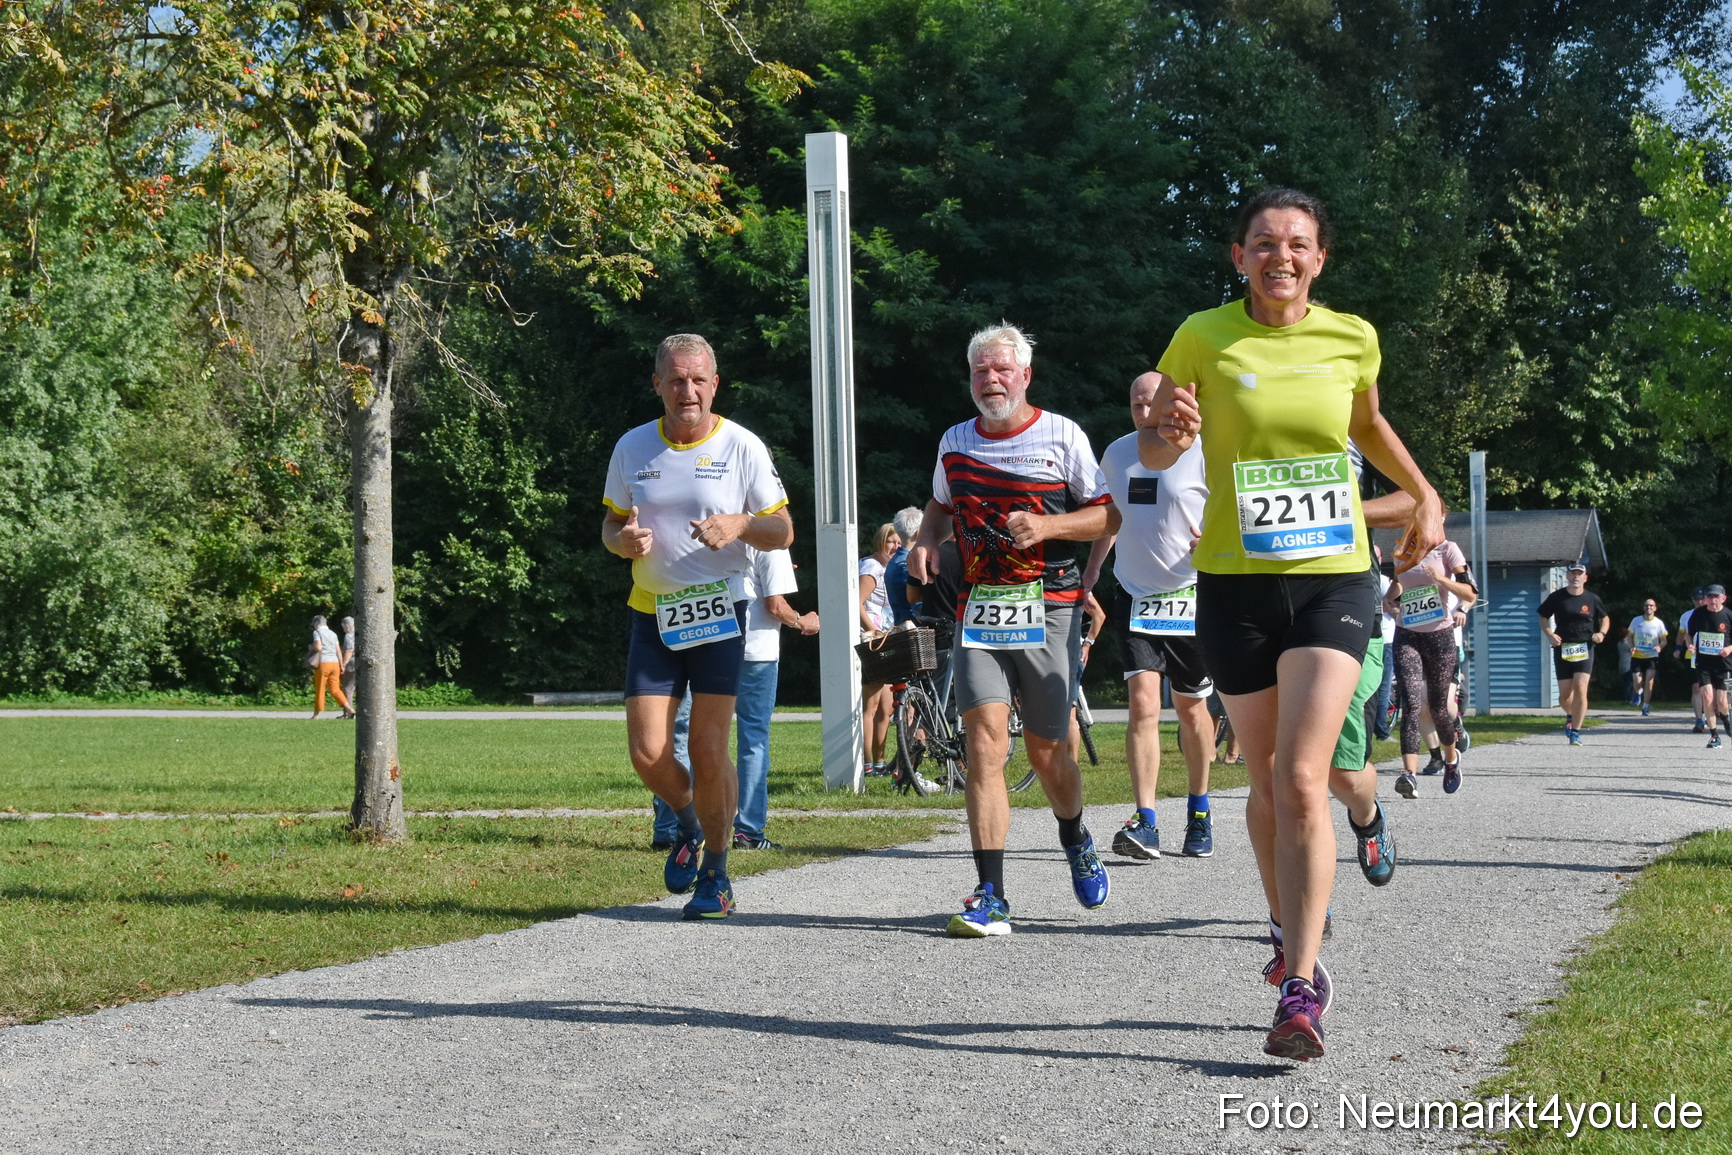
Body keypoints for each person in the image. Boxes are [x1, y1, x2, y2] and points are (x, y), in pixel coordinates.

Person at [1145, 187, 1443, 1061]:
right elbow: (1161, 448)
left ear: (1321, 259)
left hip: (1333, 577)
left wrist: (1422, 489)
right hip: (1234, 583)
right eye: (1265, 243)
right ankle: (1285, 925)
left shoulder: (1352, 336)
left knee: (1306, 775)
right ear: (1238, 256)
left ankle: (1303, 987)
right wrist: (1169, 426)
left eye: (1299, 244)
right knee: (1269, 780)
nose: (1282, 256)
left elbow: (1367, 423)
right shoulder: (1201, 334)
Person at [909, 322, 1115, 938]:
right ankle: (990, 892)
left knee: (1049, 753)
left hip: (1048, 606)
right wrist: (925, 540)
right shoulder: (954, 440)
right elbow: (942, 506)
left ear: (1026, 376)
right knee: (984, 742)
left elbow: (1108, 514)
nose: (991, 380)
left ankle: (1075, 833)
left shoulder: (1062, 434)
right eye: (981, 370)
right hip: (981, 606)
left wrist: (1049, 529)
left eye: (1003, 370)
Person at [601, 332, 793, 920]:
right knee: (647, 752)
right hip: (652, 612)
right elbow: (610, 528)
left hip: (718, 612)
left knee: (710, 749)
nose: (688, 390)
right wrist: (623, 541)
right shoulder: (633, 448)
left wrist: (740, 524)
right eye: (676, 380)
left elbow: (782, 530)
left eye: (698, 379)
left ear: (715, 383)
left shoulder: (742, 447)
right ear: (657, 384)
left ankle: (716, 870)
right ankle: (687, 825)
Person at [1095, 376, 1217, 861]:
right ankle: (1145, 820)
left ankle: (1200, 810)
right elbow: (1109, 516)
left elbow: (1230, 508)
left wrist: (1214, 540)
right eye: (1136, 404)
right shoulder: (1118, 453)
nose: (1144, 412)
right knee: (1143, 705)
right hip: (1135, 595)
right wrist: (1091, 573)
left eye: (1153, 402)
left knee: (1191, 709)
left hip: (1190, 594)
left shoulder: (1201, 447)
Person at [648, 548, 818, 851]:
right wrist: (803, 621)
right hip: (756, 652)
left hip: (700, 643)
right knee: (753, 739)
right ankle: (749, 832)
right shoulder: (771, 539)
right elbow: (776, 606)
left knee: (682, 734)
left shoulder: (704, 532)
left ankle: (669, 828)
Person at [1389, 539, 1476, 797]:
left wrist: (1440, 578)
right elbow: (1398, 586)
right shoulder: (1401, 550)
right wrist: (1390, 601)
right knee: (1413, 705)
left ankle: (1451, 760)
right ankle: (1409, 775)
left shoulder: (1448, 549)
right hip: (1407, 635)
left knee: (1439, 708)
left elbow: (1470, 593)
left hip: (1440, 636)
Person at [1537, 563, 1609, 747]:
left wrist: (1601, 634)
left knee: (1581, 688)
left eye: (1579, 574)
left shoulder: (1592, 599)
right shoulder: (1557, 597)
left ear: (1585, 577)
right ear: (1567, 576)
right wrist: (1550, 634)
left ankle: (1575, 731)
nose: (1576, 577)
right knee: (1564, 696)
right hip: (1564, 648)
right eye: (1573, 573)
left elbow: (1605, 618)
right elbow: (1543, 616)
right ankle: (1571, 714)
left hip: (1585, 647)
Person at [858, 522, 902, 775]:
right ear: (880, 541)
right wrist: (871, 629)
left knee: (887, 708)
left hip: (887, 638)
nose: (895, 546)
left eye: (898, 542)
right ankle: (866, 764)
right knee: (871, 706)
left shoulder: (890, 567)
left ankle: (879, 763)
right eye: (890, 541)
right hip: (873, 641)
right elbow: (856, 602)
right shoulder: (872, 567)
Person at [1685, 584, 1732, 748]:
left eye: (1715, 597)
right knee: (1707, 698)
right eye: (1709, 597)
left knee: (1722, 702)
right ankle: (1714, 736)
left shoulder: (1728, 616)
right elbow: (1688, 635)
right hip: (1703, 663)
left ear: (1723, 598)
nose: (1712, 600)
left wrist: (1729, 648)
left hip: (1723, 665)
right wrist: (1690, 646)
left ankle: (1726, 718)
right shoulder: (1698, 614)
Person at [1068, 590, 1108, 768]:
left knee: (1067, 713)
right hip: (1052, 651)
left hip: (1068, 652)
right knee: (1066, 712)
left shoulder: (1075, 584)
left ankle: (1071, 764)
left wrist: (1087, 644)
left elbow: (1099, 615)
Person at [307, 614, 354, 720]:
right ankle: (350, 709)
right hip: (335, 664)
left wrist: (311, 646)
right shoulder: (333, 634)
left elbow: (318, 647)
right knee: (336, 689)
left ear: (316, 623)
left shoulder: (317, 632)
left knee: (320, 688)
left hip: (324, 663)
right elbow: (338, 650)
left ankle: (316, 715)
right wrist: (341, 665)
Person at [1675, 588, 1709, 732]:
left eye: (1702, 599)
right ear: (1692, 600)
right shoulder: (1686, 616)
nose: (1699, 601)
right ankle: (1699, 720)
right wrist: (1679, 648)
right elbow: (1682, 634)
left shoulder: (1713, 613)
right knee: (1696, 687)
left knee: (1709, 689)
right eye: (1696, 599)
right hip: (1693, 655)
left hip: (1711, 655)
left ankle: (1709, 716)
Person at [1626, 599, 1666, 717]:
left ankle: (1645, 706)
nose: (1649, 607)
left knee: (1649, 681)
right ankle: (1638, 692)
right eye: (1646, 605)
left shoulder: (1658, 623)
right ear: (1644, 608)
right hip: (1638, 655)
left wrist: (1659, 646)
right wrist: (1631, 647)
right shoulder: (1636, 621)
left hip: (1651, 656)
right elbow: (1629, 636)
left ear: (1655, 608)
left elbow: (1664, 640)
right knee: (1637, 682)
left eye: (1651, 605)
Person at [885, 507, 923, 626]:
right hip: (915, 631)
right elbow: (917, 605)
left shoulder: (893, 561)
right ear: (918, 533)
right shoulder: (908, 564)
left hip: (900, 626)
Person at [339, 616, 357, 705]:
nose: (344, 630)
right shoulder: (360, 633)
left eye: (344, 628)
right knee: (356, 687)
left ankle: (348, 712)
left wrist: (344, 663)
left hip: (351, 663)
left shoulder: (349, 635)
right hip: (360, 663)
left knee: (347, 688)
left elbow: (349, 650)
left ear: (347, 626)